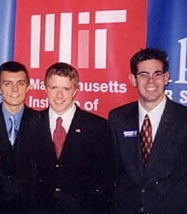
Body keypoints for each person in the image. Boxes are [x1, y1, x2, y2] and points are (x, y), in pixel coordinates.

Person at [108, 48, 187, 214]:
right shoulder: (118, 118)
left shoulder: (183, 119)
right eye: (143, 75)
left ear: (166, 78)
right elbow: (111, 172)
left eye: (157, 74)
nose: (151, 81)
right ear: (133, 79)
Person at [35, 62, 114, 214]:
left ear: (75, 90)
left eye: (66, 88)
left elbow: (105, 180)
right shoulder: (31, 123)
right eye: (53, 88)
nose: (59, 95)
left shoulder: (97, 126)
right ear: (45, 88)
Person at [0, 61, 40, 212]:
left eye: (20, 83)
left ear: (28, 87)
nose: (15, 89)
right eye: (7, 84)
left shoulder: (41, 121)